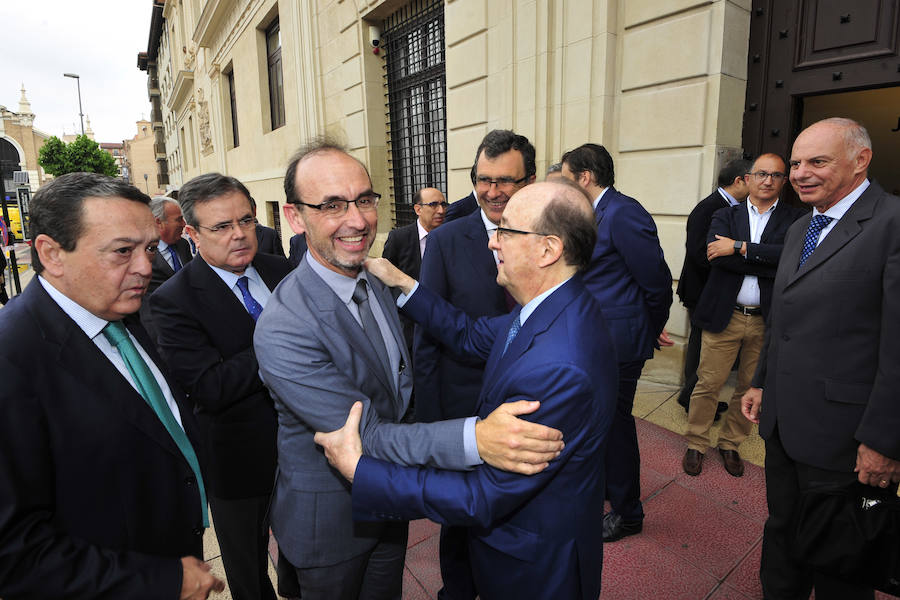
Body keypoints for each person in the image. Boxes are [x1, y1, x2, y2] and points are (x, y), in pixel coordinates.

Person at [253, 139, 564, 600]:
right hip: (333, 527)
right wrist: (474, 439)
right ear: (295, 217)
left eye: (364, 199)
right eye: (333, 205)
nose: (357, 220)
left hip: (387, 505)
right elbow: (367, 435)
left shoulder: (376, 279)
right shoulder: (284, 326)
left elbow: (403, 380)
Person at [316, 179, 617, 600]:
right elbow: (470, 333)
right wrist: (405, 283)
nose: (493, 242)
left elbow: (483, 495)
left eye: (507, 231)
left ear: (549, 249)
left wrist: (361, 471)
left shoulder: (559, 367)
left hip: (532, 569)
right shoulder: (553, 305)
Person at [0, 172, 223, 599]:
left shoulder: (124, 312)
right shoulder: (12, 359)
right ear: (51, 254)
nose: (146, 266)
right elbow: (15, 554)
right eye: (123, 251)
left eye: (150, 248)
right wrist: (164, 581)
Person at [742, 117, 900, 599]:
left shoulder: (893, 224)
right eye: (795, 162)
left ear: (861, 160)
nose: (799, 173)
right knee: (783, 533)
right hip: (785, 424)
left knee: (841, 561)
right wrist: (760, 382)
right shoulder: (801, 228)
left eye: (817, 161)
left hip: (847, 439)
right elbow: (783, 318)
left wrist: (884, 441)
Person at [149, 174, 294, 600]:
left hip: (306, 445)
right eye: (222, 227)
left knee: (305, 549)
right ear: (191, 234)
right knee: (248, 567)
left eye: (246, 221)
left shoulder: (280, 269)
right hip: (237, 459)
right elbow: (209, 386)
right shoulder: (173, 300)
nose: (239, 235)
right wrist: (282, 343)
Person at [414, 129, 536, 599]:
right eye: (482, 179)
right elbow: (427, 339)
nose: (491, 191)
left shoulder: (550, 233)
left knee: (523, 512)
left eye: (504, 180)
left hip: (533, 405)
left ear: (527, 180)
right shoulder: (446, 241)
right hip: (465, 410)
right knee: (462, 521)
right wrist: (432, 426)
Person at [560, 143, 673, 542]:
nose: (562, 181)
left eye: (566, 174)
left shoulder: (625, 213)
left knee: (614, 425)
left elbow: (657, 281)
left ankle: (627, 513)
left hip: (619, 343)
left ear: (585, 177)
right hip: (596, 337)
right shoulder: (592, 212)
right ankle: (611, 490)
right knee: (601, 421)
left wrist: (647, 326)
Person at [681, 153, 803, 477]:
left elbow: (789, 259)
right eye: (761, 174)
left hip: (767, 319)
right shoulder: (725, 215)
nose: (768, 181)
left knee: (750, 387)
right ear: (747, 179)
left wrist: (738, 247)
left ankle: (731, 443)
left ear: (784, 182)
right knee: (708, 382)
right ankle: (696, 442)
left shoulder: (794, 219)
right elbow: (714, 257)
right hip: (727, 314)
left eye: (776, 175)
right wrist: (766, 260)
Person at [675, 159, 751, 412]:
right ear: (740, 180)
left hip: (711, 291)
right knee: (701, 349)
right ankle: (691, 398)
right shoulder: (708, 208)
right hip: (702, 290)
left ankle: (696, 397)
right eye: (754, 177)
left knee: (706, 349)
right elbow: (699, 253)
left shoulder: (733, 208)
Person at [382, 187, 448, 350]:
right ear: (418, 209)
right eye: (433, 205)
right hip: (410, 326)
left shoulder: (450, 236)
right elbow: (385, 279)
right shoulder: (399, 238)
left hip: (444, 321)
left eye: (444, 204)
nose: (441, 210)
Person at [140, 195, 193, 340]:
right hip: (159, 329)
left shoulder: (183, 245)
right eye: (178, 219)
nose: (184, 224)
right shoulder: (141, 252)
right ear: (158, 222)